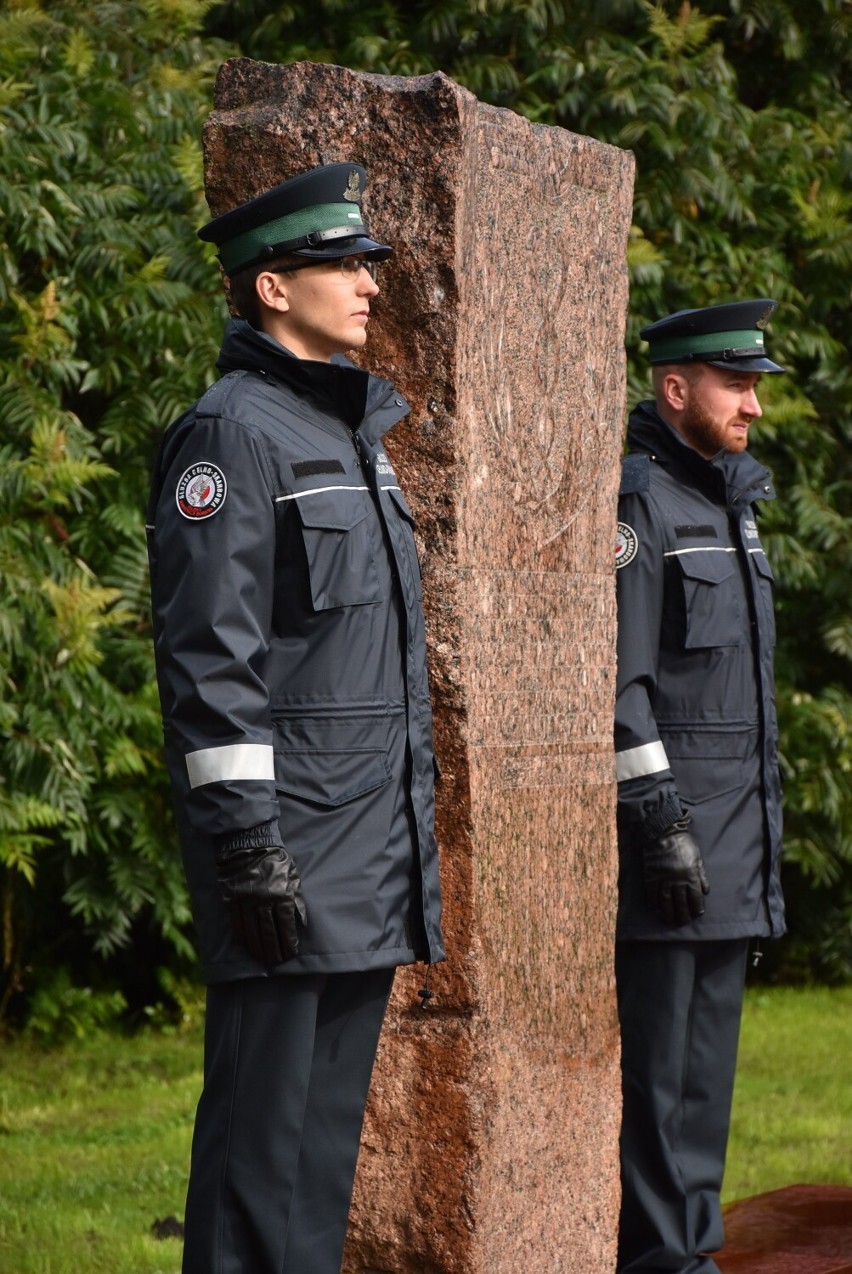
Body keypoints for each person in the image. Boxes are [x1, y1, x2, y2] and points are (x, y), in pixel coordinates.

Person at [145, 161, 445, 1274]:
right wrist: (245, 845)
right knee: (254, 1164)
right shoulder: (232, 438)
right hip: (285, 855)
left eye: (366, 262)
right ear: (273, 286)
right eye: (343, 264)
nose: (368, 282)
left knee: (318, 1160)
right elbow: (209, 661)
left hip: (362, 853)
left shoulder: (350, 437)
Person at [613, 299, 786, 1274]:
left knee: (706, 1077)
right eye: (737, 382)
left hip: (734, 846)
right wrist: (658, 817)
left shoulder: (735, 504)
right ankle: (662, 1260)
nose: (753, 404)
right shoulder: (643, 503)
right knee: (660, 1078)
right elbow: (622, 683)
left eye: (755, 383)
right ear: (676, 389)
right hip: (673, 847)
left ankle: (696, 1251)